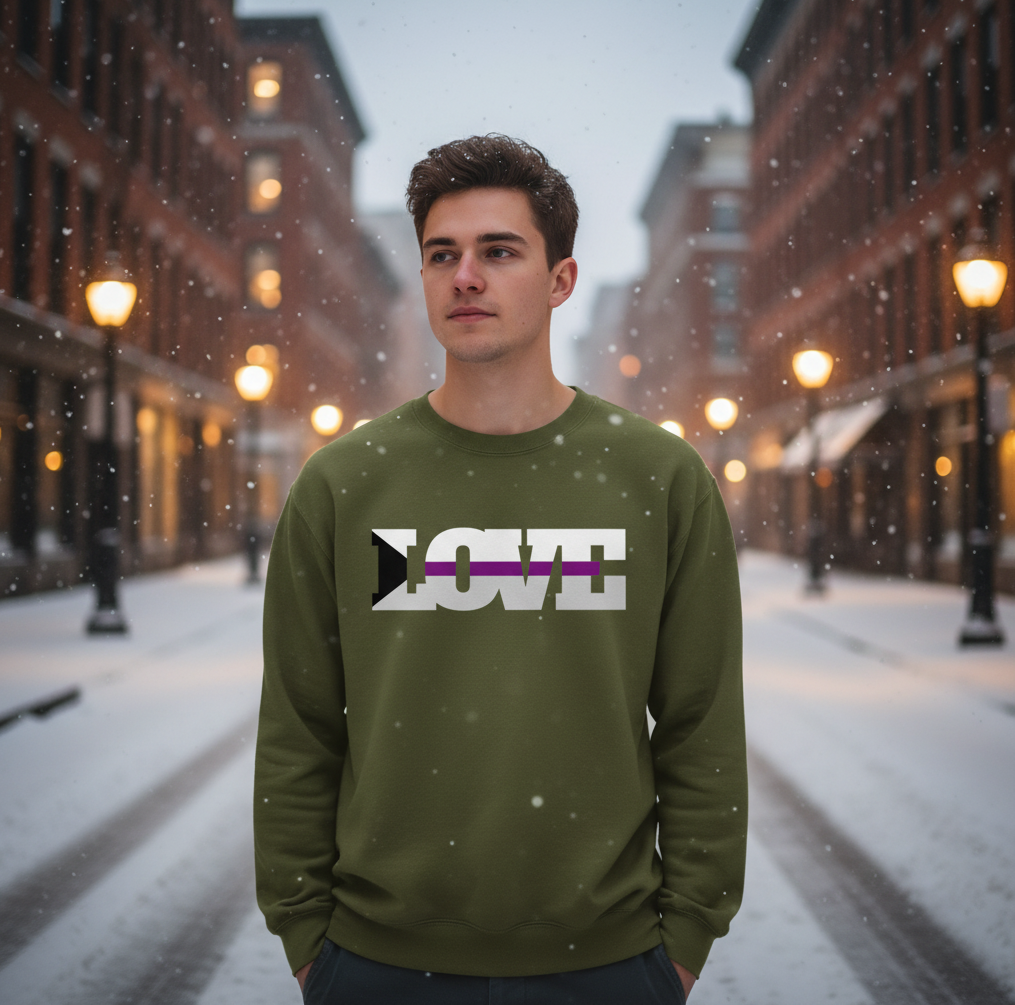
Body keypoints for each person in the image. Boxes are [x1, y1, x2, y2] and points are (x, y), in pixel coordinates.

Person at [254, 134, 747, 1004]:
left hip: (610, 965)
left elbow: (700, 727)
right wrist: (307, 937)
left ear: (560, 281)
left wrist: (684, 939)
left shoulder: (659, 480)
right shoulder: (343, 484)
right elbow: (299, 730)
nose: (465, 277)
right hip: (376, 965)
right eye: (442, 254)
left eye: (499, 251)